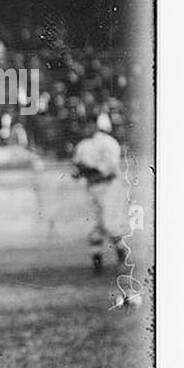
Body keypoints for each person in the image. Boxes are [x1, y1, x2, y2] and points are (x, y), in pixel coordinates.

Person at [72, 114, 126, 271]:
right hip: (92, 187)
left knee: (110, 223)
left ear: (96, 125)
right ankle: (97, 263)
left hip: (109, 186)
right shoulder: (82, 145)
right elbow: (76, 169)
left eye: (89, 124)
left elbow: (109, 169)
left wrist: (88, 168)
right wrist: (78, 171)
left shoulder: (108, 142)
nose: (86, 127)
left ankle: (123, 257)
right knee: (95, 225)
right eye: (84, 124)